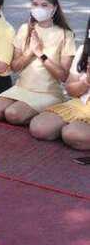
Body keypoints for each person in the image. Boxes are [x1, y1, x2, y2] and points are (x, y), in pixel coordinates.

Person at [0, 0, 75, 125]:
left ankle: (46, 114)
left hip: (47, 92)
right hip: (22, 87)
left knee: (13, 114)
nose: (38, 8)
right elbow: (14, 67)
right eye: (35, 4)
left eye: (44, 5)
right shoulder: (25, 29)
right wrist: (29, 52)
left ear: (54, 8)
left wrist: (40, 53)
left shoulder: (65, 34)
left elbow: (63, 76)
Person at [29, 16, 90, 150]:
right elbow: (70, 90)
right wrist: (86, 82)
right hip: (81, 103)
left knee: (72, 133)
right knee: (39, 128)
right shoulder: (84, 51)